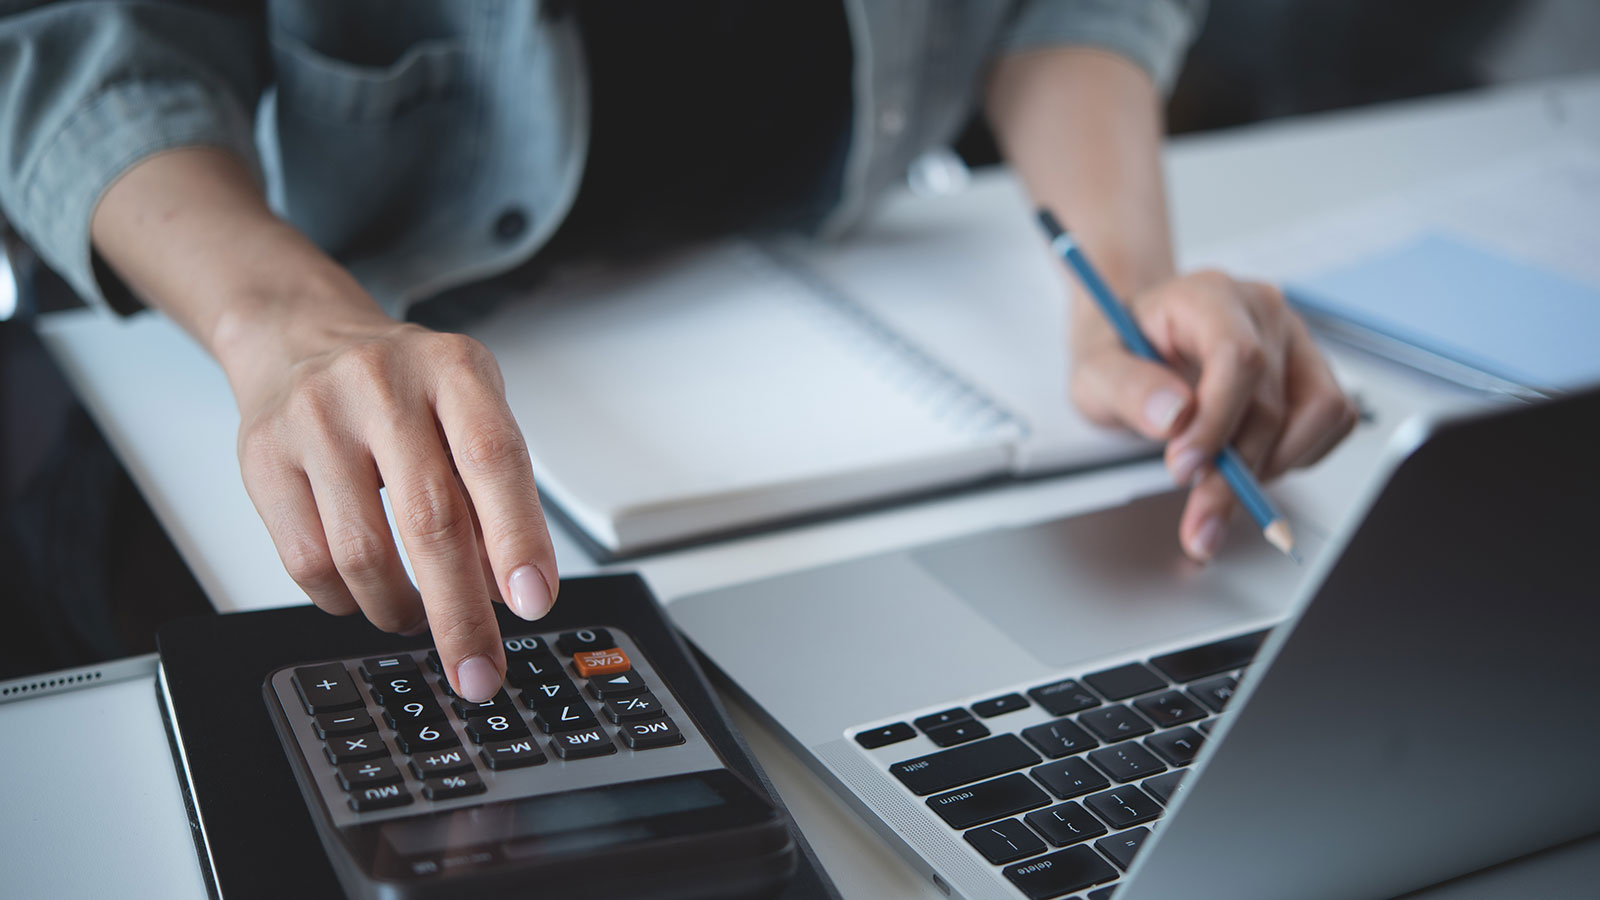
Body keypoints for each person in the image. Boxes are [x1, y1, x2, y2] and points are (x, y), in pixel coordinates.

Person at [0, 0, 1357, 703]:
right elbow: (75, 42)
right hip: (236, 339)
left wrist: (1124, 283)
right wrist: (283, 320)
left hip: (834, 302)